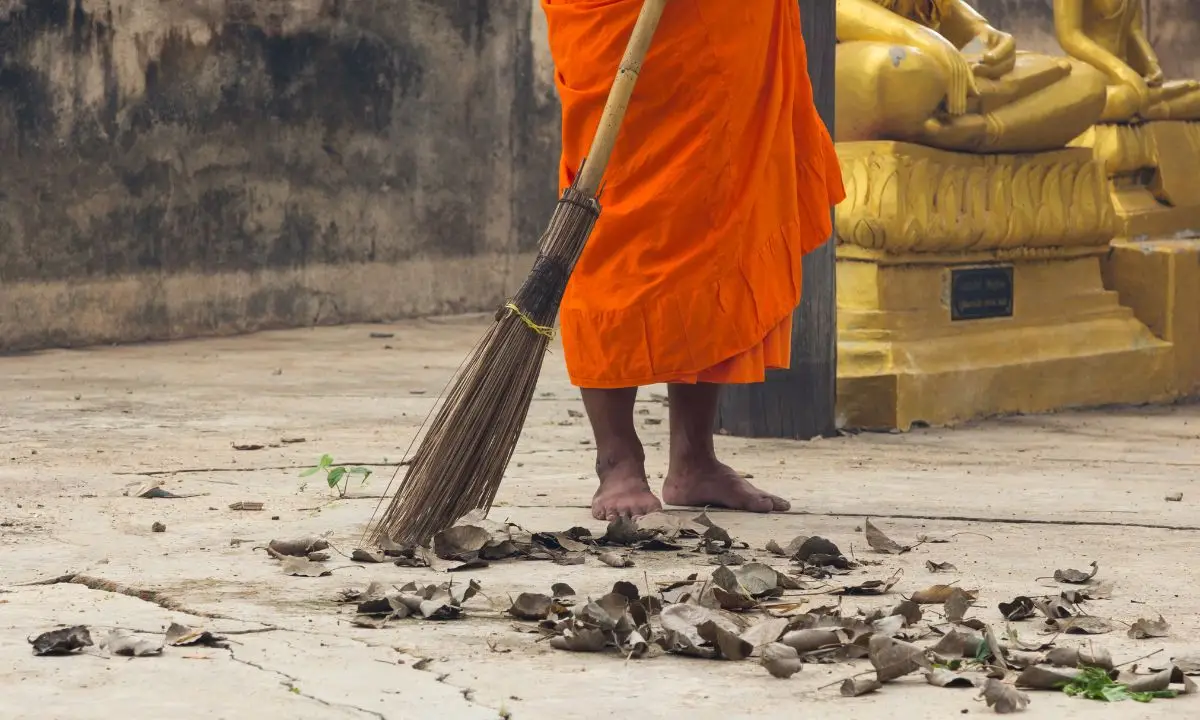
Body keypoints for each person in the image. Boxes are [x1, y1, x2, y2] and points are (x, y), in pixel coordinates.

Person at [540, 0, 845, 521]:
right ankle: (617, 460)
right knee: (617, 217)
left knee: (714, 209)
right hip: (614, 18)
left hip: (722, 20)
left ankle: (694, 459)